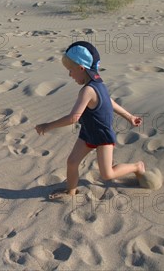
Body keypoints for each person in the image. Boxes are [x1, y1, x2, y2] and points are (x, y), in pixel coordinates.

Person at [35, 41, 145, 200]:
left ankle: (137, 166)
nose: (70, 75)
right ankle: (71, 192)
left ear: (81, 68)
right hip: (88, 133)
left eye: (70, 70)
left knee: (107, 174)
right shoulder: (98, 83)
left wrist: (48, 126)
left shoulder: (88, 90)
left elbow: (73, 118)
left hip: (102, 136)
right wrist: (130, 117)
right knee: (72, 162)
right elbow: (109, 101)